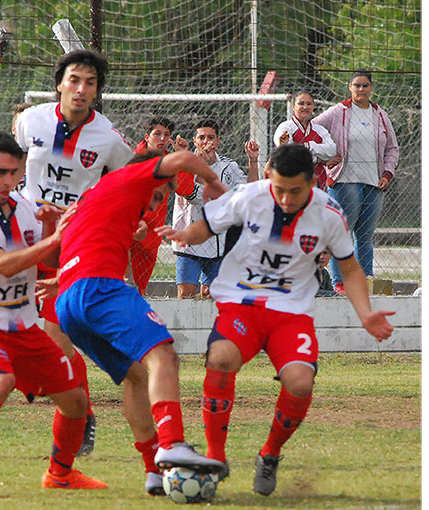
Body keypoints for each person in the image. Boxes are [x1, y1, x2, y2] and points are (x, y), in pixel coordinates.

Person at [156, 143, 394, 496]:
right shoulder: (249, 195)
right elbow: (207, 223)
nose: (284, 198)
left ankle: (269, 455)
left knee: (300, 383)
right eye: (278, 188)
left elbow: (349, 266)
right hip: (242, 303)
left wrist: (366, 313)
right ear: (268, 175)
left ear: (312, 184)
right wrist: (184, 236)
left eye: (295, 191)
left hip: (291, 312)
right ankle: (216, 457)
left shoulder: (329, 213)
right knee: (221, 359)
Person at [0, 130, 106, 498]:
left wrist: (49, 229)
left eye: (15, 172)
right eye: (1, 172)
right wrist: (52, 238)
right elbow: (1, 265)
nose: (9, 181)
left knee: (76, 400)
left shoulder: (26, 207)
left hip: (22, 323)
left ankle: (60, 474)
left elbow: (47, 262)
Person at [55, 150, 227, 495]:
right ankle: (172, 442)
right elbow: (182, 158)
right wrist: (213, 183)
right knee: (163, 355)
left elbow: (66, 242)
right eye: (160, 194)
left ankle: (152, 469)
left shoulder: (95, 196)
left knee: (136, 376)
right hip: (99, 286)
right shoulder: (130, 178)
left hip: (68, 299)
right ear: (150, 177)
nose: (154, 204)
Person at [14, 49, 134, 457]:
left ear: (97, 91)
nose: (81, 89)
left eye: (90, 83)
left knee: (58, 338)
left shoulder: (110, 139)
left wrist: (111, 217)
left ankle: (81, 418)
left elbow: (128, 186)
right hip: (25, 237)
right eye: (74, 80)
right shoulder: (30, 121)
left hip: (73, 242)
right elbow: (6, 164)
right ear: (59, 84)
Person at [314, 70, 399, 295]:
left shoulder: (380, 114)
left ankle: (365, 281)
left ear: (371, 88)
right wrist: (324, 156)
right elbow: (311, 129)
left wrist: (387, 173)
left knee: (365, 237)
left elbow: (392, 148)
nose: (360, 90)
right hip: (345, 181)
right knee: (341, 233)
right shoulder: (337, 112)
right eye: (356, 85)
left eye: (365, 86)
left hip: (374, 183)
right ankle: (340, 283)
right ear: (349, 87)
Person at [172, 119, 259, 298]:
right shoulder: (185, 164)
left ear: (218, 141)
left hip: (217, 243)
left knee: (212, 295)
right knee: (186, 294)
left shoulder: (228, 166)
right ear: (195, 140)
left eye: (210, 137)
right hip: (189, 244)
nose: (206, 142)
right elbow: (195, 197)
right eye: (201, 137)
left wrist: (253, 162)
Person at [130, 116, 191, 295]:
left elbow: (186, 189)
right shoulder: (132, 158)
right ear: (147, 136)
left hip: (151, 238)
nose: (163, 139)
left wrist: (182, 157)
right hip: (128, 233)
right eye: (157, 134)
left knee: (138, 292)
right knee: (119, 287)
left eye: (167, 134)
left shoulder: (170, 162)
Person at [273, 90, 336, 190]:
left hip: (319, 181)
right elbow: (289, 155)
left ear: (313, 107)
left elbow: (332, 150)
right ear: (293, 106)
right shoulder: (285, 127)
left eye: (309, 104)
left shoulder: (319, 129)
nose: (305, 107)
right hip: (292, 180)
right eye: (301, 103)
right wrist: (319, 159)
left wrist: (308, 146)